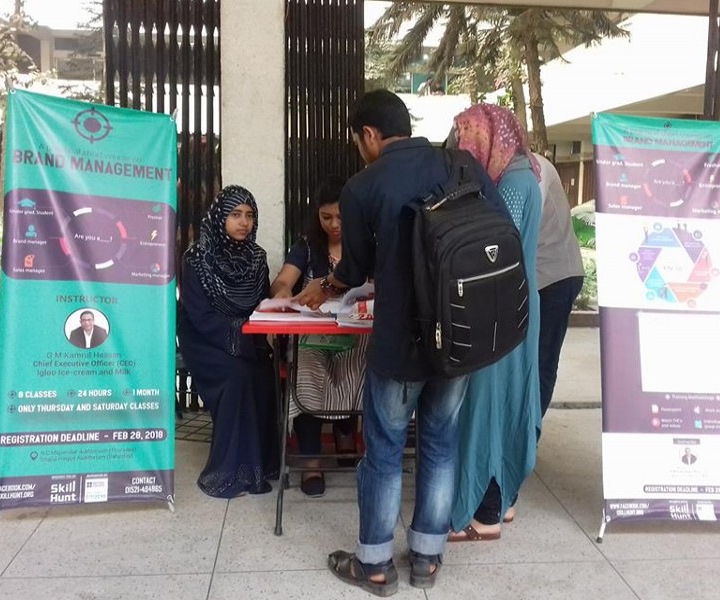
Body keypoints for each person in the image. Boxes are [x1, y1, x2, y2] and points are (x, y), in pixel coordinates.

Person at [296, 90, 504, 596]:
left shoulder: (363, 186)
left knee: (385, 449)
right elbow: (500, 230)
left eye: (357, 140)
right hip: (460, 336)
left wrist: (325, 287)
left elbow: (354, 268)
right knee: (439, 441)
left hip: (400, 341)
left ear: (368, 134)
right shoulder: (461, 166)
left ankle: (373, 565)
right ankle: (428, 559)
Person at [446, 104, 542, 542]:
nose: (460, 149)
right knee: (501, 403)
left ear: (486, 139)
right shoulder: (518, 175)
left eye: (466, 138)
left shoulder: (517, 183)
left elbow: (496, 251)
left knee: (487, 409)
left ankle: (483, 515)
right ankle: (500, 502)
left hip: (503, 311)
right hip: (511, 307)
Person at [270, 175, 368, 499]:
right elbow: (283, 282)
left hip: (354, 335)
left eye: (341, 216)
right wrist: (285, 293)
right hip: (314, 334)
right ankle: (311, 458)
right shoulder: (308, 246)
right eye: (326, 217)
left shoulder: (366, 246)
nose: (334, 224)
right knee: (307, 366)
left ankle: (345, 435)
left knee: (358, 364)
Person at [179, 185, 279, 498]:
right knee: (237, 376)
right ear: (220, 217)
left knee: (264, 374)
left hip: (247, 336)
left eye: (249, 215)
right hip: (205, 339)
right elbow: (200, 317)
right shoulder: (196, 259)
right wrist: (241, 336)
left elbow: (261, 305)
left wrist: (254, 336)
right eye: (235, 214)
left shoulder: (257, 258)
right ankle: (231, 470)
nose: (243, 222)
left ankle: (262, 464)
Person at [532, 153, 584, 418]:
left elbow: (526, 218)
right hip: (535, 276)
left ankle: (529, 438)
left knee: (542, 360)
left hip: (555, 276)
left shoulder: (534, 168)